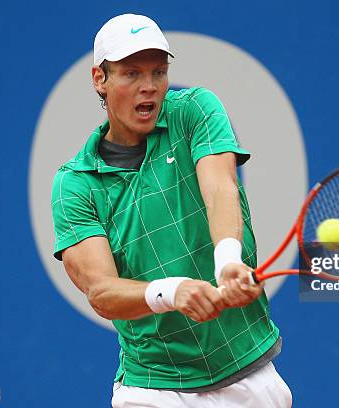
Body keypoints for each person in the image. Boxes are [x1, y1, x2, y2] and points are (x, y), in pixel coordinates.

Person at [51, 13, 292, 407]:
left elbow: (220, 187)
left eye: (158, 72)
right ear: (100, 79)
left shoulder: (194, 110)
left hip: (248, 372)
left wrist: (227, 260)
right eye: (131, 74)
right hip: (153, 388)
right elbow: (101, 291)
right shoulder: (75, 185)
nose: (149, 87)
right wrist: (170, 292)